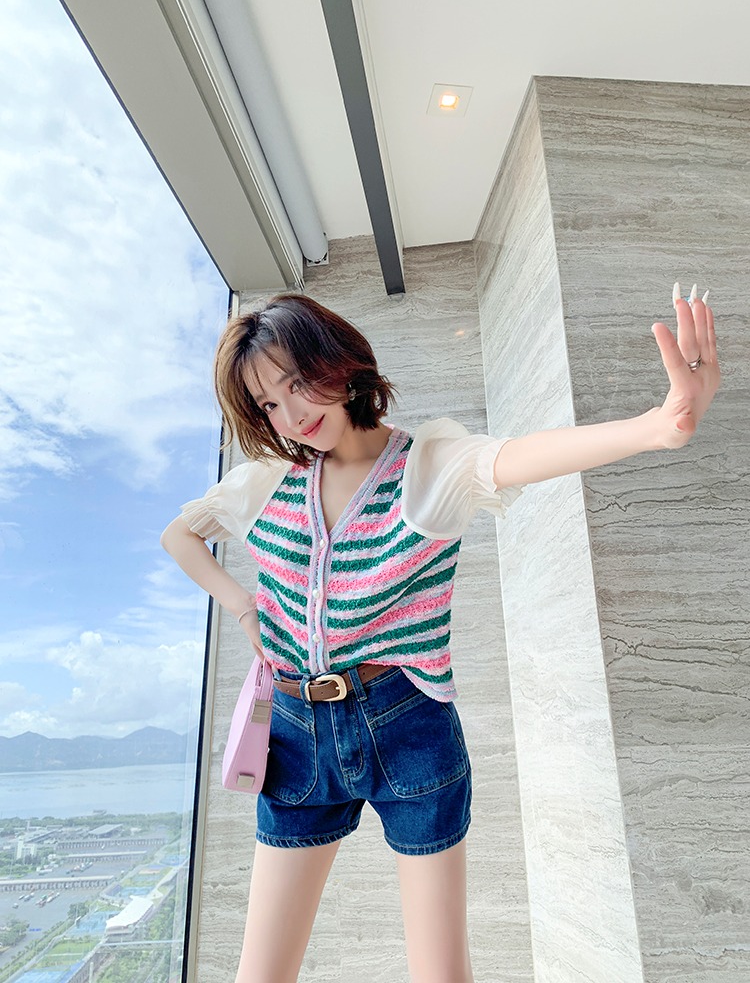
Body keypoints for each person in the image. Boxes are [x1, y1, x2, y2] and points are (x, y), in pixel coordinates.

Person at [161, 284, 719, 983]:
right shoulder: (266, 481)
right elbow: (180, 536)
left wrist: (657, 427)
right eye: (269, 404)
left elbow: (516, 456)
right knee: (261, 975)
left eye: (296, 383)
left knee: (441, 972)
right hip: (297, 734)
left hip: (406, 725)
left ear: (337, 361)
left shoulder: (428, 465)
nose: (291, 414)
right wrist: (244, 607)